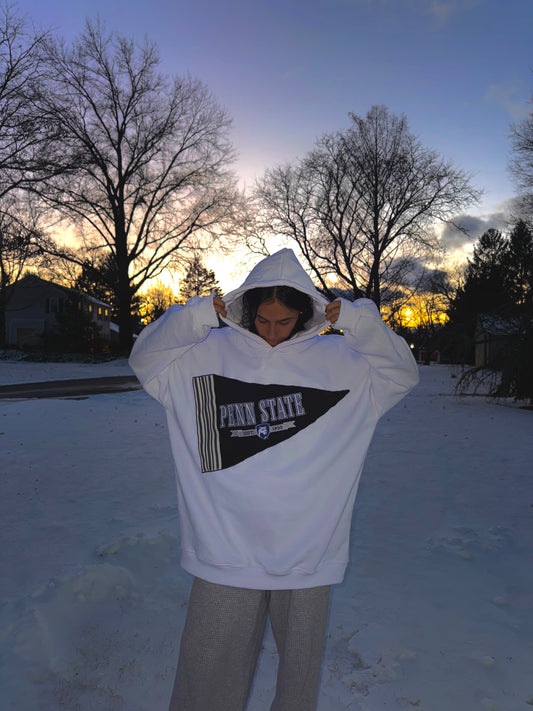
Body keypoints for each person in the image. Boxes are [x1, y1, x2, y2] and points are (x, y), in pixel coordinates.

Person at [128, 248, 419, 711]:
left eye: (284, 321)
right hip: (225, 550)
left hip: (307, 551)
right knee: (206, 675)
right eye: (263, 320)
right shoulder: (202, 355)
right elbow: (144, 357)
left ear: (305, 313)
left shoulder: (343, 362)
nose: (272, 332)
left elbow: (403, 371)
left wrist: (360, 322)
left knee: (297, 683)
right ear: (248, 309)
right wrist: (193, 317)